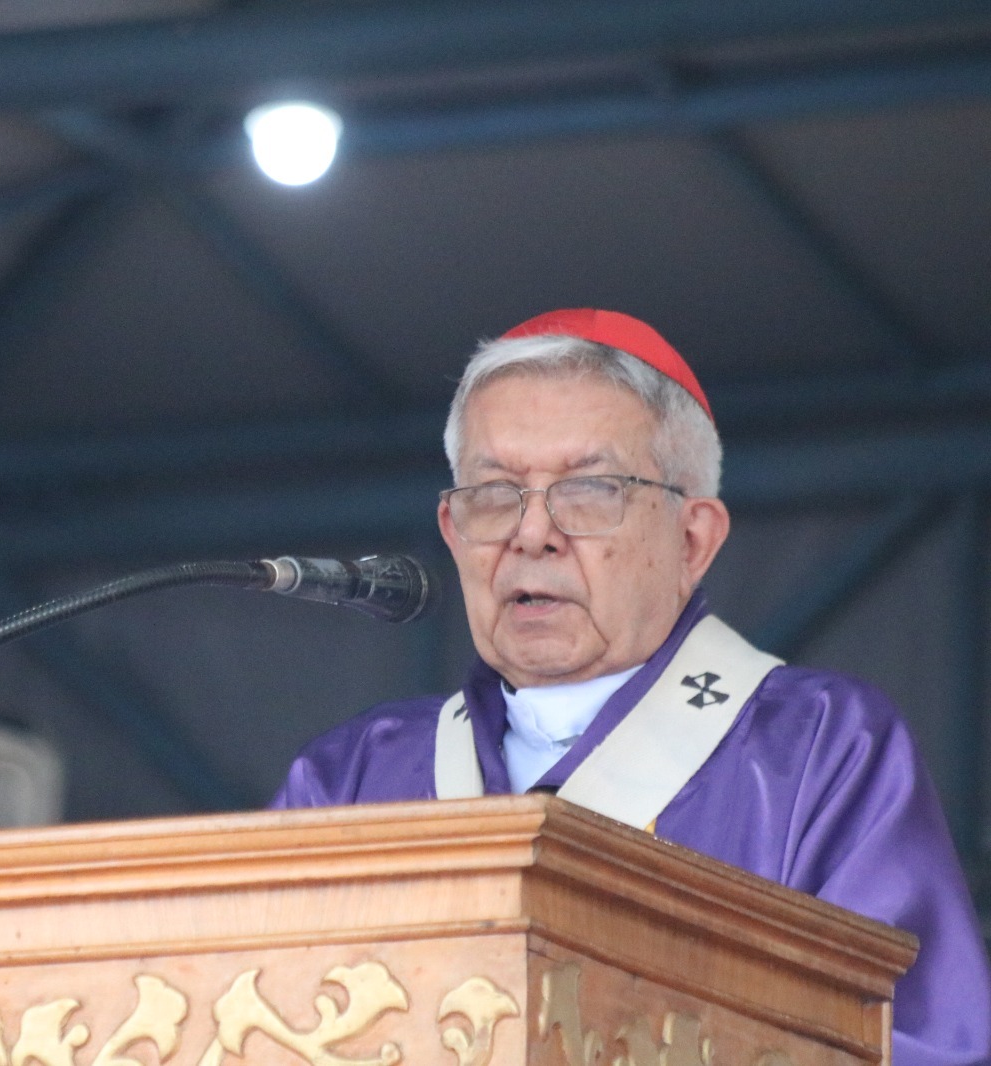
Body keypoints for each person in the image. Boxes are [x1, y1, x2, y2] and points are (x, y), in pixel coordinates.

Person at [272, 308, 991, 1066]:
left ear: (693, 540)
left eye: (588, 491)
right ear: (452, 531)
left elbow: (915, 1043)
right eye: (495, 493)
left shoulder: (815, 749)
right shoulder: (353, 775)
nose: (531, 533)